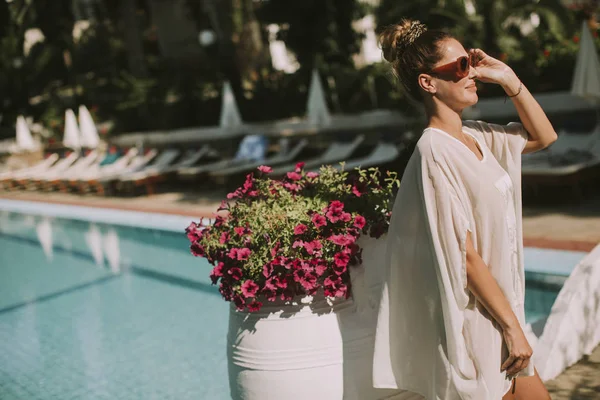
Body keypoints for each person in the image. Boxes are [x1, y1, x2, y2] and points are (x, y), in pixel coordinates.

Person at [372, 19, 556, 400]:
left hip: (506, 311)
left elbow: (544, 136)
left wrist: (507, 77)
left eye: (470, 61)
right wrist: (511, 328)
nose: (471, 72)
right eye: (460, 66)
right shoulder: (433, 151)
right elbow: (464, 253)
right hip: (481, 323)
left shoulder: (478, 136)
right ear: (428, 82)